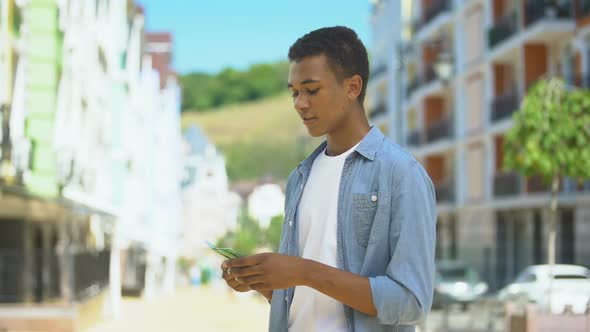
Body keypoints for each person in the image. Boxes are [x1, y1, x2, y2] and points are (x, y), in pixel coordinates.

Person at [221, 26, 437, 332]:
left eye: (311, 89)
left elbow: (411, 303)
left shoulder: (402, 175)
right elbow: (306, 301)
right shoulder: (300, 178)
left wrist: (303, 271)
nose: (299, 103)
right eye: (295, 92)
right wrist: (261, 281)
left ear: (352, 87)